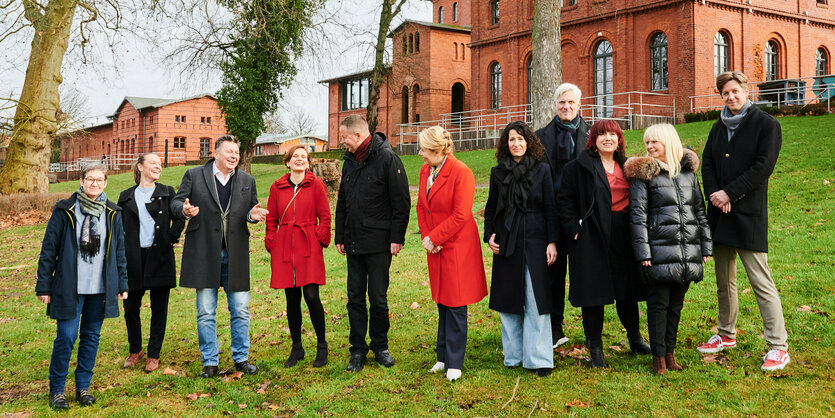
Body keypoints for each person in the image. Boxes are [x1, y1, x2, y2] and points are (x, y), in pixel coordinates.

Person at [697, 71, 789, 371]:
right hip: (719, 214)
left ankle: (778, 346)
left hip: (748, 214)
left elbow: (763, 167)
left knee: (761, 281)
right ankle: (726, 334)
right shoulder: (717, 126)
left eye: (735, 91)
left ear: (746, 92)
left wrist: (729, 194)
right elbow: (707, 162)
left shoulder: (766, 125)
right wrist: (714, 194)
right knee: (724, 281)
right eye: (725, 93)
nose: (731, 97)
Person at [557, 119, 651, 368]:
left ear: (619, 139)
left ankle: (635, 339)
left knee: (627, 291)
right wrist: (574, 230)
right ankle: (596, 349)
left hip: (624, 232)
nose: (608, 138)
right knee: (593, 293)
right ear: (594, 139)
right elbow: (564, 202)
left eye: (613, 134)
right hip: (592, 233)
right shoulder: (578, 167)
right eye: (602, 134)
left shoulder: (628, 165)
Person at [171, 135, 268, 378]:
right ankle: (210, 362)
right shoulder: (194, 176)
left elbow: (249, 211)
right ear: (216, 153)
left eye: (236, 152)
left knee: (241, 310)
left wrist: (252, 216)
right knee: (205, 311)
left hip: (235, 254)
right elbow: (176, 202)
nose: (234, 156)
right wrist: (184, 210)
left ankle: (241, 358)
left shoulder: (247, 179)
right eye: (229, 152)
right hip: (204, 252)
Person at [36, 163, 128, 409]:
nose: (94, 184)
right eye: (90, 179)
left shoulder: (112, 212)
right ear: (81, 181)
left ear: (106, 183)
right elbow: (48, 250)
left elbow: (119, 251)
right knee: (66, 337)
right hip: (69, 287)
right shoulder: (64, 210)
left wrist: (122, 283)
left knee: (91, 337)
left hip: (100, 288)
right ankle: (56, 390)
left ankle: (83, 387)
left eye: (99, 180)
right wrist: (43, 287)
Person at [624, 124, 713, 375]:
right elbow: (638, 217)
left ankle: (671, 353)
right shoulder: (644, 176)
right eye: (647, 142)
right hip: (658, 252)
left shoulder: (689, 175)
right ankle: (658, 357)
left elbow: (700, 212)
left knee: (676, 305)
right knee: (658, 305)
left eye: (655, 142)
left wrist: (706, 246)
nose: (650, 147)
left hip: (688, 252)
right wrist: (644, 253)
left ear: (669, 142)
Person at [335, 115, 410, 372]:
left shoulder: (388, 159)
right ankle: (357, 349)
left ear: (357, 135)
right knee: (354, 297)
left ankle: (380, 346)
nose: (341, 141)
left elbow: (401, 202)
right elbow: (342, 201)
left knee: (378, 298)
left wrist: (396, 238)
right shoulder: (348, 162)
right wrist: (340, 237)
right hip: (353, 243)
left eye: (344, 136)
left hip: (379, 244)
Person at [484, 121, 557, 377]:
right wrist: (489, 235)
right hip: (507, 240)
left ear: (529, 142)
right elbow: (491, 209)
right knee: (508, 300)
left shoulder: (543, 171)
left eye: (521, 139)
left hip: (537, 240)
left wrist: (552, 241)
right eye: (511, 140)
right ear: (506, 143)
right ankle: (513, 356)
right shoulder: (497, 173)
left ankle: (538, 359)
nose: (516, 144)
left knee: (536, 300)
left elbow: (551, 207)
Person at [415, 126, 488, 382]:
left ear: (438, 150)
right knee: (443, 301)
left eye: (424, 149)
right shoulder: (427, 169)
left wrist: (435, 238)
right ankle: (442, 356)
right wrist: (428, 238)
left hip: (457, 245)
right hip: (435, 245)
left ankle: (455, 362)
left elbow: (461, 214)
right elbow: (421, 207)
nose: (420, 153)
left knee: (456, 303)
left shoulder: (461, 172)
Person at [265, 145, 331, 368]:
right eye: (295, 156)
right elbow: (271, 218)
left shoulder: (316, 185)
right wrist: (272, 240)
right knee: (291, 298)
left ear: (308, 162)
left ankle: (322, 346)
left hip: (308, 244)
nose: (299, 159)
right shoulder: (277, 187)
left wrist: (319, 235)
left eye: (303, 157)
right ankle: (297, 348)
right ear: (287, 162)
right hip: (284, 246)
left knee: (311, 295)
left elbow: (325, 215)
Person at [534, 82, 590, 348]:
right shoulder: (540, 137)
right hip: (552, 217)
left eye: (571, 103)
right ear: (554, 105)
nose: (566, 107)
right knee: (553, 275)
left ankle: (593, 332)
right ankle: (555, 329)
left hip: (582, 218)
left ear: (580, 105)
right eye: (561, 103)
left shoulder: (593, 135)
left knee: (585, 274)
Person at [118, 153, 184, 373]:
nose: (158, 167)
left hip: (160, 258)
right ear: (140, 167)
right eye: (153, 163)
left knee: (159, 309)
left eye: (160, 164)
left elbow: (179, 218)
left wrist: (169, 239)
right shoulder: (125, 196)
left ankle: (154, 354)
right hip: (133, 259)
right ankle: (135, 349)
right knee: (130, 308)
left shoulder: (167, 193)